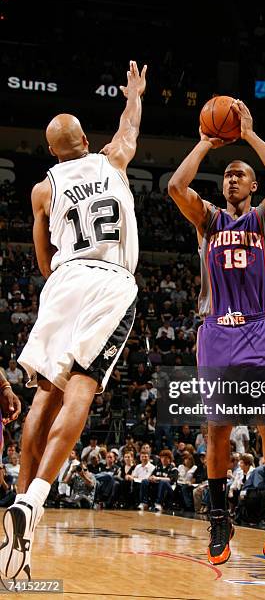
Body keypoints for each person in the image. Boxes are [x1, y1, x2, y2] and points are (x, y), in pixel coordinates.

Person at [0, 60, 147, 580]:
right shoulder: (114, 161)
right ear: (86, 139)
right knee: (84, 385)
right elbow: (130, 125)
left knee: (45, 393)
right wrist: (134, 94)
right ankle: (37, 499)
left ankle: (20, 505)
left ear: (51, 152)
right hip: (109, 280)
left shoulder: (43, 190)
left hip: (63, 281)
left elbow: (42, 263)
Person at [168, 99, 265, 565]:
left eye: (240, 174)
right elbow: (177, 185)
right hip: (216, 329)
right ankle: (219, 518)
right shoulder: (208, 220)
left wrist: (249, 135)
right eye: (227, 175)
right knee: (217, 430)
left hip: (258, 328)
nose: (232, 178)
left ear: (252, 184)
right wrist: (205, 143)